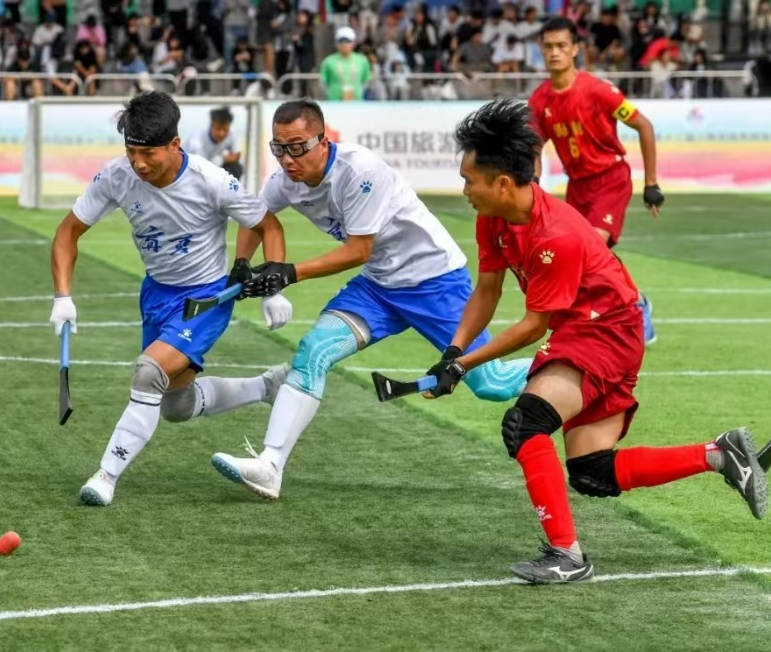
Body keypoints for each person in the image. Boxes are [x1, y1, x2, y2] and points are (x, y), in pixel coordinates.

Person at [422, 98, 768, 584]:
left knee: (526, 423)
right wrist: (453, 352)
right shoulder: (493, 217)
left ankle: (566, 556)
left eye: (468, 180)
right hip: (584, 329)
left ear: (501, 183)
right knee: (592, 472)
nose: (464, 191)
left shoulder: (555, 234)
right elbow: (487, 290)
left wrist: (464, 367)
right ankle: (718, 454)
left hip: (608, 330)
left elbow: (534, 326)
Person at [209, 99, 532, 500]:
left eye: (297, 147)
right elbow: (257, 218)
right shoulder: (284, 181)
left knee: (492, 384)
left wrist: (287, 274)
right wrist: (243, 264)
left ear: (322, 141)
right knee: (314, 350)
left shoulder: (360, 171)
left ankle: (571, 365)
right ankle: (270, 466)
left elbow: (358, 250)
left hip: (435, 282)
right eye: (279, 148)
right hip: (378, 288)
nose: (287, 158)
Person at [49, 92, 293, 507]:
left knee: (149, 373)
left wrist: (275, 287)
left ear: (175, 144)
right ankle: (267, 386)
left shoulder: (211, 180)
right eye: (131, 152)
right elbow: (67, 233)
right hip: (157, 294)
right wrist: (63, 297)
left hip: (207, 298)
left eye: (148, 153)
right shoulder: (116, 177)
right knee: (176, 406)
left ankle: (105, 477)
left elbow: (268, 225)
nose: (139, 163)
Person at [528, 17, 663, 346]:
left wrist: (651, 183)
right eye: (548, 46)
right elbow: (535, 147)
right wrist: (533, 184)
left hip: (610, 179)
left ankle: (634, 307)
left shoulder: (599, 91)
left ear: (575, 49)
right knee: (586, 257)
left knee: (588, 248)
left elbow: (644, 126)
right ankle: (629, 305)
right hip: (577, 187)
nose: (555, 52)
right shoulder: (539, 101)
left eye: (562, 46)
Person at [183, 107, 244, 181]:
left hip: (212, 166)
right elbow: (201, 167)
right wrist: (222, 159)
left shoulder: (232, 135)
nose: (221, 133)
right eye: (218, 129)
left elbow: (236, 156)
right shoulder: (197, 140)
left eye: (225, 130)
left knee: (236, 168)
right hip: (190, 171)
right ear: (211, 126)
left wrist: (222, 159)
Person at [319, 26, 372, 101]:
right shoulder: (328, 61)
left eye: (348, 41)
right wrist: (331, 94)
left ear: (354, 43)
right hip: (334, 103)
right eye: (341, 41)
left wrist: (359, 92)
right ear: (336, 43)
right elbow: (323, 83)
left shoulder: (362, 61)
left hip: (357, 103)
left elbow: (366, 81)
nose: (344, 44)